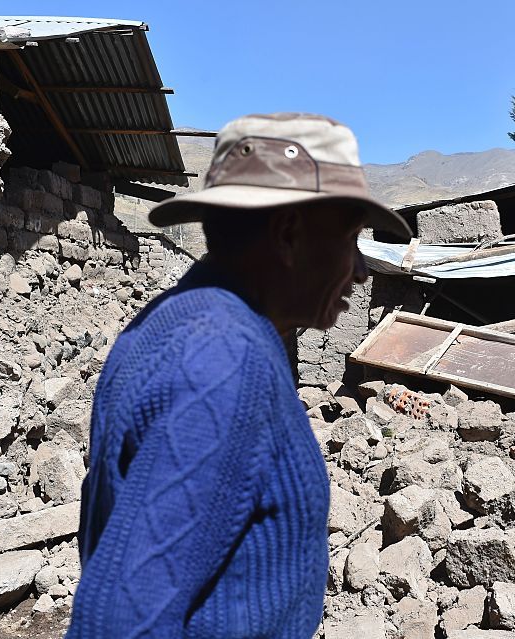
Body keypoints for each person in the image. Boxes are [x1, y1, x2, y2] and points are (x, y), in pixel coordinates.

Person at [65, 113, 411, 639]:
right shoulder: (222, 361)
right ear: (289, 233)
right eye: (351, 238)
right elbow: (122, 620)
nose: (362, 269)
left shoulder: (180, 320)